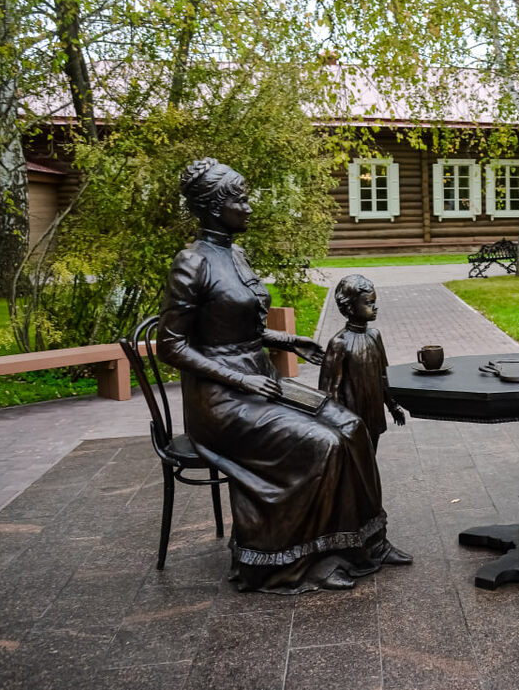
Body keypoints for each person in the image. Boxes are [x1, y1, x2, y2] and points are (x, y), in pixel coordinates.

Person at [158, 157, 411, 594]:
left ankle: (366, 544)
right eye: (240, 198)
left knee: (352, 426)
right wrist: (239, 381)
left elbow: (243, 328)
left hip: (259, 382)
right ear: (216, 207)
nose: (249, 206)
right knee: (325, 443)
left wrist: (287, 342)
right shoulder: (191, 263)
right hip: (221, 402)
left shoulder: (234, 253)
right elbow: (171, 346)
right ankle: (301, 560)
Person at [319, 274, 406, 451]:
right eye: (368, 303)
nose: (375, 307)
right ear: (349, 308)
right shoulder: (339, 343)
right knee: (355, 462)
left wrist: (392, 405)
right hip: (351, 418)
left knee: (370, 455)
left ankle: (370, 480)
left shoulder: (374, 335)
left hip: (373, 412)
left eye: (374, 301)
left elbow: (384, 374)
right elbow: (329, 390)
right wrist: (337, 423)